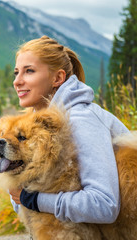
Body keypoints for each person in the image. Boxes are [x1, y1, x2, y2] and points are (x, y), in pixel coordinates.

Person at [9, 35, 130, 223]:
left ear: (58, 78)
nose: (17, 81)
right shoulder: (35, 128)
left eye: (29, 71)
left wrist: (36, 200)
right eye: (16, 72)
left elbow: (104, 205)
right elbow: (23, 203)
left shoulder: (81, 120)